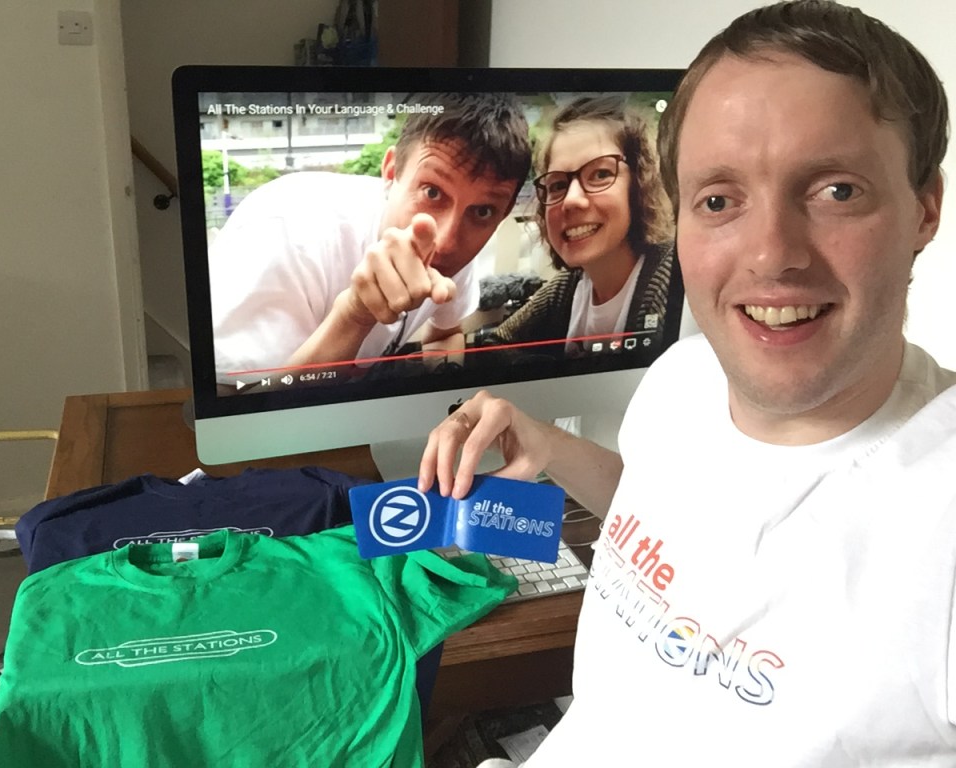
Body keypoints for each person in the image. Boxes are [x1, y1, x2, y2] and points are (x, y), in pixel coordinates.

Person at [419, 1, 956, 764]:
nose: (771, 255)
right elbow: (661, 505)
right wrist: (545, 444)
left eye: (836, 190)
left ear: (924, 208)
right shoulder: (685, 374)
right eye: (719, 200)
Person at [209, 92, 531, 390]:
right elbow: (237, 403)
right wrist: (354, 314)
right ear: (390, 173)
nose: (446, 241)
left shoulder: (456, 242)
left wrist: (442, 410)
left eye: (483, 211)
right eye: (432, 193)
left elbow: (444, 336)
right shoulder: (286, 233)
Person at [485, 96, 675, 359]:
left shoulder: (671, 283)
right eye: (558, 185)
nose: (571, 200)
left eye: (600, 174)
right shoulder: (570, 286)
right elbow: (497, 345)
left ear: (640, 187)